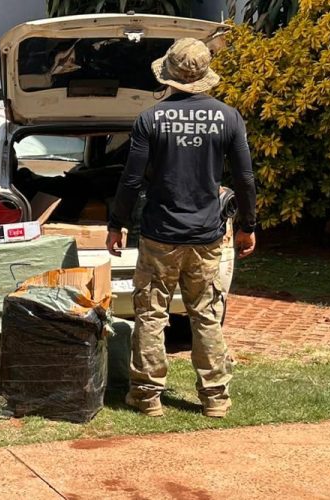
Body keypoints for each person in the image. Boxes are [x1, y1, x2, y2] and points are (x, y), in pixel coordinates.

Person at [106, 38, 257, 418]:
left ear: (169, 75)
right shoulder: (228, 117)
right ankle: (215, 399)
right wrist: (247, 225)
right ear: (203, 76)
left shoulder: (150, 119)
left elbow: (131, 179)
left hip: (160, 235)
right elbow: (244, 178)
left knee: (152, 314)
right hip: (207, 235)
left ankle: (147, 397)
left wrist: (116, 223)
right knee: (205, 314)